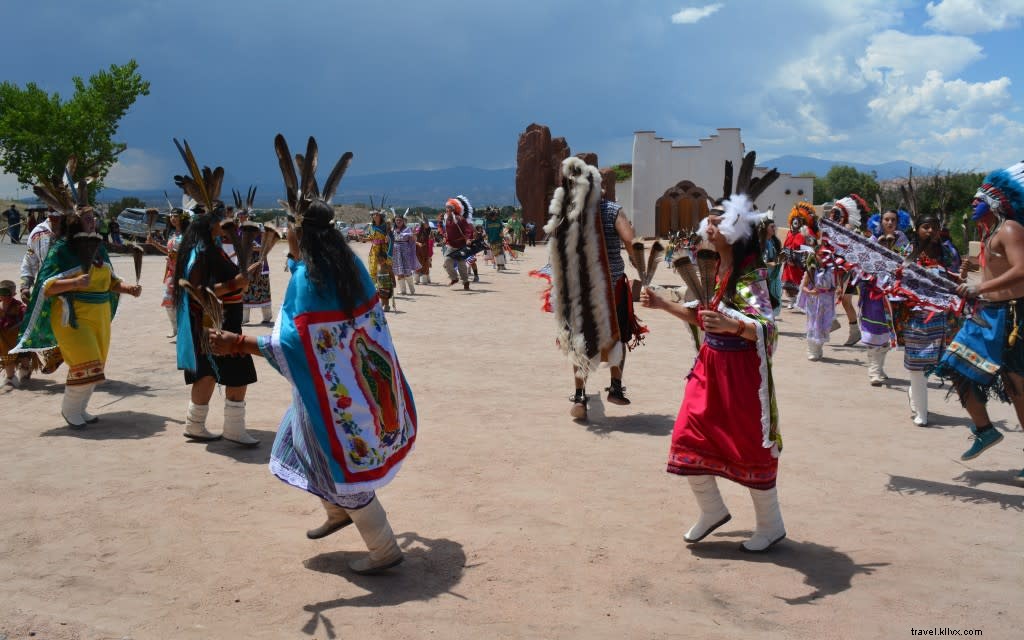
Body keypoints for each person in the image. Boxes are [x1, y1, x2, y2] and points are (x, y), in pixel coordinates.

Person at [210, 162, 414, 574]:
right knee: (294, 440)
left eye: (287, 228)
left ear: (300, 233)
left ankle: (383, 547)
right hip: (353, 385)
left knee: (337, 461)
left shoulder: (311, 279)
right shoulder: (344, 265)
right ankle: (337, 511)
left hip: (335, 394)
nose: (283, 234)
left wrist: (239, 342)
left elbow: (295, 344)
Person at [640, 152, 785, 552]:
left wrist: (737, 326)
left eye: (721, 217)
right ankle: (712, 510)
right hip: (709, 368)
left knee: (749, 445)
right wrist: (664, 304)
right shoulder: (715, 273)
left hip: (741, 377)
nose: (711, 222)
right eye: (712, 216)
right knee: (688, 435)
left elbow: (769, 327)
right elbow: (703, 315)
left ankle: (771, 524)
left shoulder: (750, 276)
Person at [932, 162, 1024, 472]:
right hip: (987, 314)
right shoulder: (988, 233)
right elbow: (989, 267)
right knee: (955, 366)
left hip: (1011, 318)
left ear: (995, 202)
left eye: (978, 198)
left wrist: (980, 285)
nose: (973, 203)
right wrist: (969, 272)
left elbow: (1021, 269)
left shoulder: (1010, 229)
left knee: (1017, 387)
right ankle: (985, 430)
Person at [12, 209, 142, 427]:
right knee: (86, 361)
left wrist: (129, 289)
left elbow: (111, 281)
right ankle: (70, 410)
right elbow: (47, 286)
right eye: (88, 219)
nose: (94, 222)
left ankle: (80, 408)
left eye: (94, 219)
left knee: (97, 365)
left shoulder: (98, 247)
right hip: (72, 316)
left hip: (99, 316)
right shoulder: (62, 250)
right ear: (74, 224)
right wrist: (74, 283)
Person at [174, 202, 261, 446]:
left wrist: (241, 278)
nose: (225, 223)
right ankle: (233, 428)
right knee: (238, 374)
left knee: (207, 373)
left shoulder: (211, 248)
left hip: (218, 320)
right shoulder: (201, 252)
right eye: (221, 220)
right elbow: (200, 292)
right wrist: (235, 285)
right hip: (215, 322)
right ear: (210, 225)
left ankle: (195, 424)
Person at [893, 212, 960, 426]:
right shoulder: (907, 252)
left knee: (932, 363)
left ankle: (914, 393)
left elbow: (955, 280)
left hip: (940, 317)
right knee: (917, 364)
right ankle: (922, 412)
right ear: (917, 230)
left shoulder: (948, 253)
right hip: (914, 316)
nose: (931, 231)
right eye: (926, 227)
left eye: (935, 227)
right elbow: (896, 280)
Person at [858, 209, 911, 385]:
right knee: (874, 331)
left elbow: (909, 264)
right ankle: (873, 370)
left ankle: (879, 367)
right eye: (886, 219)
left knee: (889, 332)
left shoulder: (903, 242)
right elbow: (862, 264)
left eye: (893, 220)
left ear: (898, 222)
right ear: (880, 222)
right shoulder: (872, 241)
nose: (889, 223)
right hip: (875, 292)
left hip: (895, 294)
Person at [18, 207, 65, 379]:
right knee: (32, 325)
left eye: (59, 217)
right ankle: (26, 364)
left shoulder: (73, 231)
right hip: (44, 286)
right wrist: (25, 285)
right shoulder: (38, 233)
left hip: (70, 286)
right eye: (53, 216)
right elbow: (29, 260)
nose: (55, 220)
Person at [828, 196, 869, 345]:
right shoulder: (834, 229)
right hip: (836, 269)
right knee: (840, 299)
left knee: (844, 300)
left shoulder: (848, 230)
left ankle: (852, 331)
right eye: (831, 213)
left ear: (843, 215)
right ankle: (835, 324)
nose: (832, 216)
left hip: (847, 270)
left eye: (835, 213)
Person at [150, 209, 189, 338]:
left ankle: (185, 329)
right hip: (171, 272)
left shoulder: (188, 234)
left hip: (184, 272)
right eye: (171, 216)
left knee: (184, 302)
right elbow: (168, 252)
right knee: (168, 300)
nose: (172, 218)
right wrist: (154, 243)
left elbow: (191, 252)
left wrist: (178, 255)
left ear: (182, 218)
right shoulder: (171, 233)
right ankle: (175, 328)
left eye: (176, 216)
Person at [796, 246, 836, 361]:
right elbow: (804, 287)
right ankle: (811, 350)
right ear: (815, 256)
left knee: (824, 325)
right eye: (820, 255)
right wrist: (810, 292)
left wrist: (834, 290)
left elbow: (834, 286)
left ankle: (818, 348)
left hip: (826, 301)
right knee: (813, 324)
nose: (823, 257)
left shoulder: (832, 270)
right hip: (814, 301)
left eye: (825, 255)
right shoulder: (812, 269)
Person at [240, 220, 274, 325]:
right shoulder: (245, 237)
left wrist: (255, 248)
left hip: (261, 268)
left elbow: (265, 248)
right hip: (248, 266)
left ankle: (267, 317)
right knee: (246, 291)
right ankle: (244, 318)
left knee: (263, 291)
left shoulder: (263, 237)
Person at [782, 202, 814, 308]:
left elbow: (812, 245)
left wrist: (807, 237)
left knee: (800, 282)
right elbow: (785, 245)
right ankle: (792, 300)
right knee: (788, 283)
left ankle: (800, 301)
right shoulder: (789, 233)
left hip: (800, 263)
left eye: (798, 219)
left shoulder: (805, 231)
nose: (796, 221)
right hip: (789, 262)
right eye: (794, 218)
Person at [440, 197, 475, 290]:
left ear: (453, 209)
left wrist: (468, 239)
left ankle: (465, 282)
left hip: (461, 245)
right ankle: (454, 278)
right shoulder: (446, 219)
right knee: (447, 261)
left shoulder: (460, 219)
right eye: (446, 208)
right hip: (451, 245)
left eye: (449, 208)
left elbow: (468, 230)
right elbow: (447, 231)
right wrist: (445, 238)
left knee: (461, 265)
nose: (447, 210)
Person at [1, 280, 29, 389]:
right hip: (4, 340)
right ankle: (10, 377)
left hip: (18, 339)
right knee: (7, 358)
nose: (4, 296)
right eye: (1, 293)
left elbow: (27, 319)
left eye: (7, 294)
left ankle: (26, 370)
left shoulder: (19, 307)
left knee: (24, 359)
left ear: (13, 294)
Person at [390, 213, 420, 295]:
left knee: (407, 271)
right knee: (399, 271)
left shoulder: (407, 229)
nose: (398, 221)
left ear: (403, 221)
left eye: (400, 220)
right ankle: (403, 290)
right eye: (397, 220)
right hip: (395, 252)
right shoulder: (392, 229)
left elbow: (413, 240)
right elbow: (389, 240)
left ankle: (412, 289)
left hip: (405, 251)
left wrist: (414, 235)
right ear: (395, 221)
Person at [761, 221, 783, 318]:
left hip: (774, 274)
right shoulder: (760, 243)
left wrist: (781, 259)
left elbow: (777, 257)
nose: (774, 228)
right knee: (765, 297)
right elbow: (759, 261)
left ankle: (771, 318)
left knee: (775, 295)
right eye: (772, 226)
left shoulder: (775, 242)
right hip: (764, 275)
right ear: (765, 228)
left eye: (775, 226)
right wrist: (770, 264)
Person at [414, 220, 434, 285]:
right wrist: (418, 243)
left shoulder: (428, 231)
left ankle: (424, 280)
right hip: (418, 250)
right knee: (418, 264)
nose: (427, 224)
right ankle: (416, 280)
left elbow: (431, 239)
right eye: (425, 223)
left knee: (426, 264)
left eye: (427, 223)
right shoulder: (417, 231)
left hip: (426, 250)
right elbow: (413, 240)